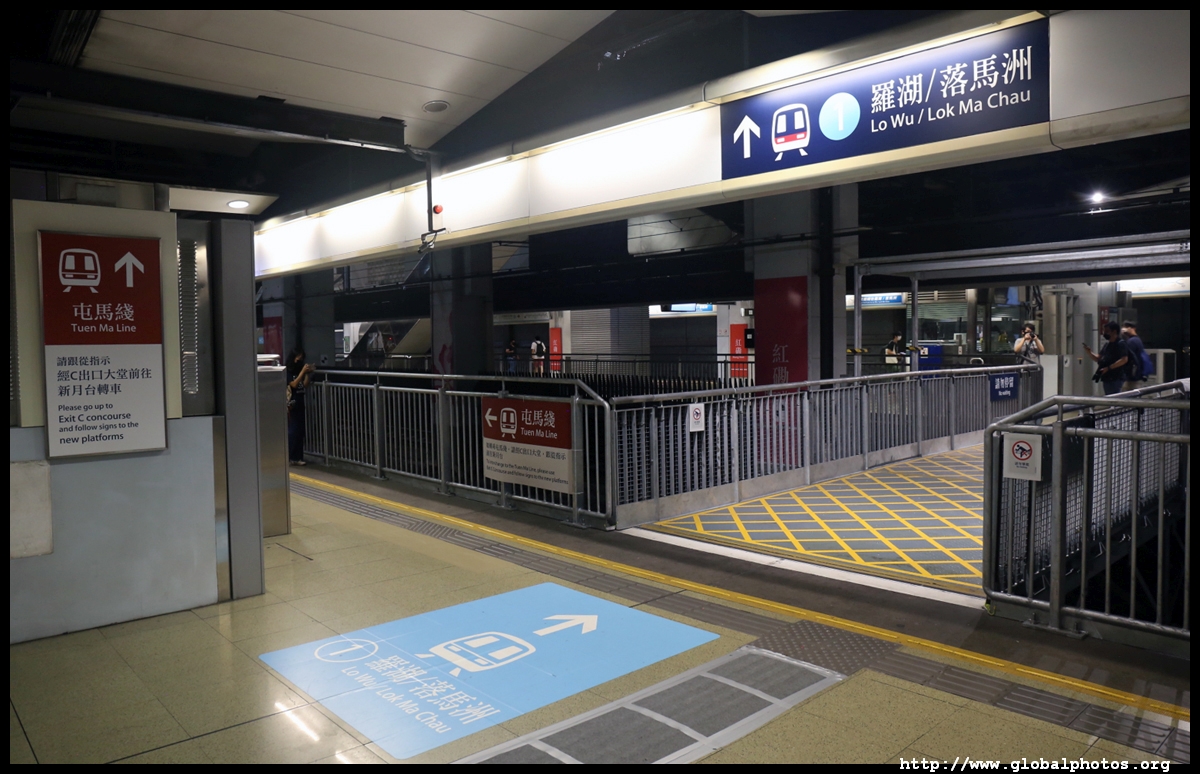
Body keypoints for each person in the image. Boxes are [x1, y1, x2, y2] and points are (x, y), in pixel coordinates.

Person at [286, 348, 316, 465]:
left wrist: (307, 373)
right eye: (298, 357)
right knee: (293, 431)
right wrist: (302, 372)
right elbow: (293, 384)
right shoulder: (288, 371)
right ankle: (290, 456)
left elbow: (305, 385)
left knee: (300, 431)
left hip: (300, 401)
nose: (300, 359)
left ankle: (298, 457)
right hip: (291, 403)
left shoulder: (299, 370)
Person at [1083, 322, 1129, 396]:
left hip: (1116, 377)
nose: (1104, 333)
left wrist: (1108, 368)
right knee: (1109, 397)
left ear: (1114, 331)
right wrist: (1089, 352)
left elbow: (1124, 359)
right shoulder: (1107, 345)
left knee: (1115, 398)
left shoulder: (1121, 344)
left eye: (1107, 331)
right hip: (1107, 377)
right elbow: (1099, 358)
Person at [1120, 321, 1152, 392]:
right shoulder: (1137, 340)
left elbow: (1127, 358)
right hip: (1136, 375)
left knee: (1127, 394)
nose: (1123, 329)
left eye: (1126, 327)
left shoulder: (1132, 341)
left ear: (1132, 328)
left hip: (1132, 377)